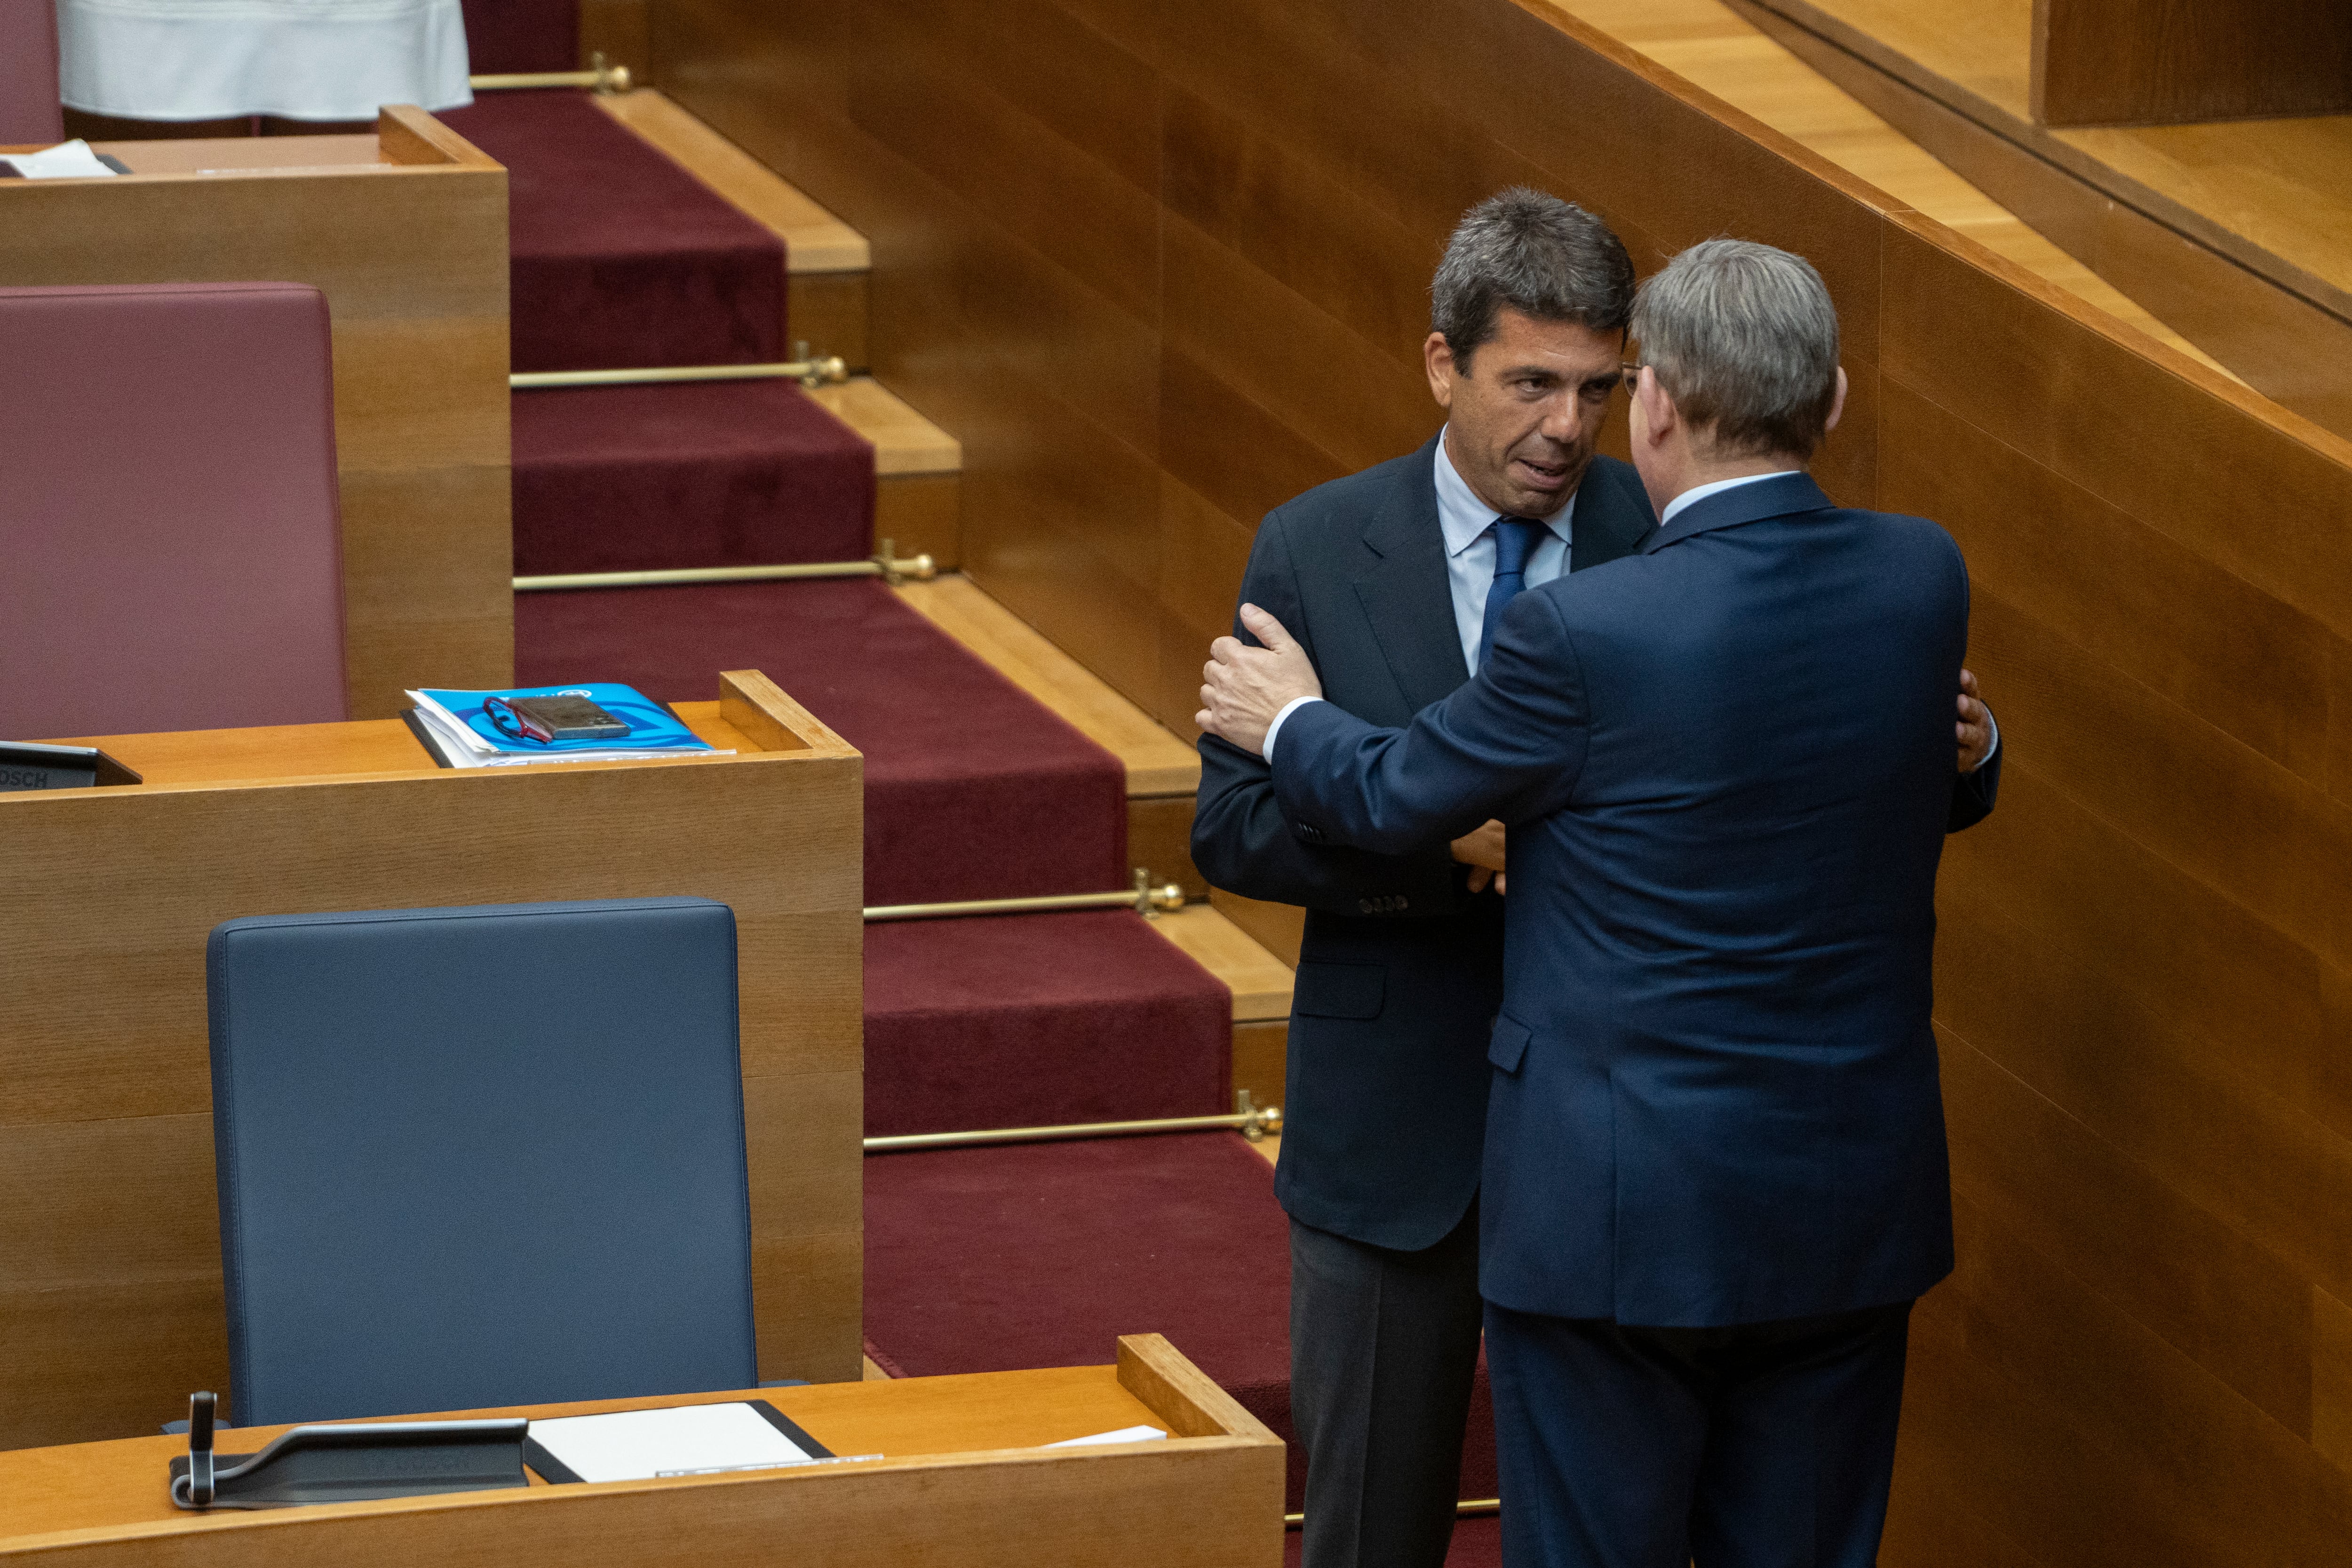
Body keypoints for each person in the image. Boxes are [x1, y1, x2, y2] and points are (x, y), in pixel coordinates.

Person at [1190, 196, 1997, 1568]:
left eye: (1596, 388)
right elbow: (1233, 831)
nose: (1565, 426)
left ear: (1652, 399)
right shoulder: (1317, 545)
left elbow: (1799, 761)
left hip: (1632, 1176)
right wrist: (1458, 852)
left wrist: (1961, 748)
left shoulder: (1650, 546)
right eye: (1530, 384)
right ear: (1444, 365)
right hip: (1410, 1139)